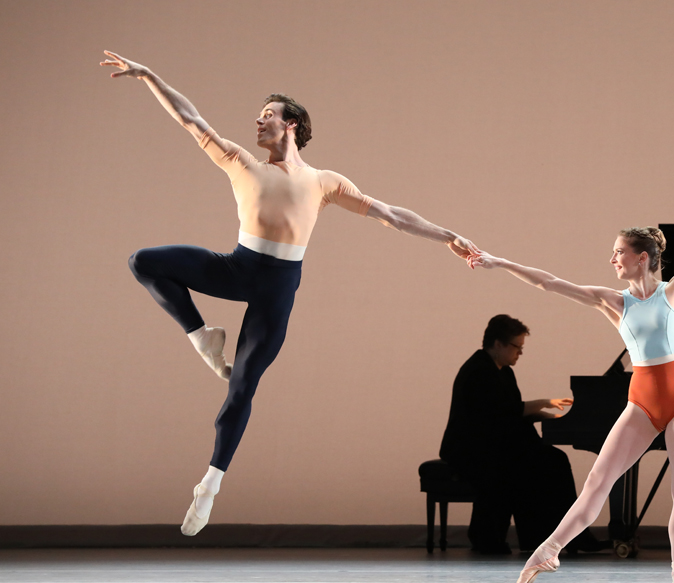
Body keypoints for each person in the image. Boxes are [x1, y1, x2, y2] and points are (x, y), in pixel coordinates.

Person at [101, 51, 479, 536]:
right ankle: (202, 338)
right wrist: (150, 75)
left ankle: (211, 483)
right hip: (238, 268)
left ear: (292, 125)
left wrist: (448, 235)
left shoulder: (324, 182)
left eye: (268, 115)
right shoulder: (239, 160)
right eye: (258, 116)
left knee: (242, 388)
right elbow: (189, 119)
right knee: (144, 261)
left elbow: (391, 214)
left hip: (277, 291)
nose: (258, 122)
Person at [467, 181, 674, 583]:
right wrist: (496, 261)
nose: (612, 259)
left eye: (619, 252)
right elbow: (548, 282)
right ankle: (548, 549)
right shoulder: (613, 302)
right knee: (598, 480)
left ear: (642, 258)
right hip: (643, 400)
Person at [440, 315, 609, 554]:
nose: (520, 353)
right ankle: (546, 538)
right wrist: (544, 403)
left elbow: (513, 413)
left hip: (494, 445)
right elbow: (502, 411)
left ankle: (558, 537)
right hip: (471, 449)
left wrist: (556, 419)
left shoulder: (503, 371)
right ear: (498, 344)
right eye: (516, 347)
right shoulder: (478, 371)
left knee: (551, 460)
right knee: (545, 462)